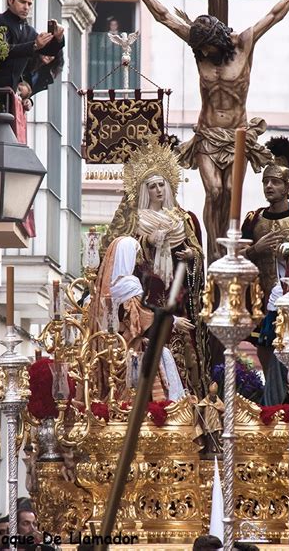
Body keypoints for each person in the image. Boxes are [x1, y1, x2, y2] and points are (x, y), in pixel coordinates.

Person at [120, 0, 289, 261]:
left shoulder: (245, 42)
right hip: (208, 134)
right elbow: (164, 17)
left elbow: (273, 15)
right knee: (214, 191)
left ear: (218, 39)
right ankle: (212, 253)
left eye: (207, 47)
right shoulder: (200, 47)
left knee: (229, 193)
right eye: (199, 49)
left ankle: (228, 249)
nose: (203, 53)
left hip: (237, 135)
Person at [101, 137, 206, 396]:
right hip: (150, 297)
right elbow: (122, 255)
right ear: (144, 191)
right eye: (152, 186)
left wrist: (193, 256)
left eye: (162, 185)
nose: (158, 190)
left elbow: (200, 260)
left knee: (187, 362)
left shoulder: (184, 220)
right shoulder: (135, 220)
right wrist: (147, 241)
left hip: (179, 296)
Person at [91, 235, 188, 403]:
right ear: (126, 256)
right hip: (132, 346)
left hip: (111, 347)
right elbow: (142, 319)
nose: (137, 261)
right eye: (135, 255)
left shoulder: (104, 288)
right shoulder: (130, 285)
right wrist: (172, 321)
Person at [241, 136, 289, 377]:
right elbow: (235, 258)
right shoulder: (254, 219)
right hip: (261, 301)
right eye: (265, 182)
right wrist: (256, 249)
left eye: (275, 182)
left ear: (288, 186)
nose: (269, 187)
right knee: (266, 359)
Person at [0, 0, 65, 92]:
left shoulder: (29, 31)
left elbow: (49, 51)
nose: (26, 7)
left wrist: (59, 38)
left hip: (10, 93)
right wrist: (34, 45)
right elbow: (1, 51)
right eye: (22, 2)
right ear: (10, 0)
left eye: (29, 4)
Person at [197, 381, 225, 456]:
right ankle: (209, 451)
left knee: (218, 435)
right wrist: (195, 406)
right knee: (209, 437)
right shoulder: (205, 401)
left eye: (214, 395)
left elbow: (223, 409)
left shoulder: (219, 402)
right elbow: (199, 408)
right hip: (208, 422)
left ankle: (218, 451)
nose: (212, 396)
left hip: (216, 422)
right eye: (211, 395)